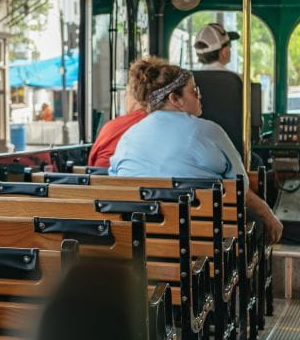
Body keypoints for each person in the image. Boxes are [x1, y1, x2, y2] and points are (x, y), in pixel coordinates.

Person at [109, 58, 282, 242]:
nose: (200, 96)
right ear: (175, 99)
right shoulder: (209, 131)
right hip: (203, 240)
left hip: (140, 240)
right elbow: (241, 185)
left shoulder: (128, 137)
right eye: (194, 91)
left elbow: (116, 182)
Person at [87, 58, 151, 168]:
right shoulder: (166, 127)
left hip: (102, 183)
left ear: (132, 93)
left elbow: (91, 165)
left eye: (126, 93)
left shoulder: (111, 128)